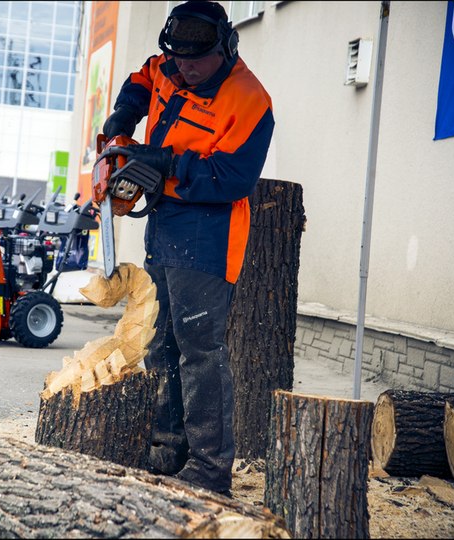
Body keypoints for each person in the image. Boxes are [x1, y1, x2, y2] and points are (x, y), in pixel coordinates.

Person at [101, 0, 274, 496]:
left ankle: (210, 468)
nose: (187, 69)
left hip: (208, 230)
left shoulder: (249, 100)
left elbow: (233, 179)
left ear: (225, 47)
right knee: (161, 341)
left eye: (197, 61)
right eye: (178, 59)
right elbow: (141, 80)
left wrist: (166, 163)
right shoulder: (168, 65)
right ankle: (167, 448)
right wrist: (122, 118)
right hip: (163, 221)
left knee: (200, 349)